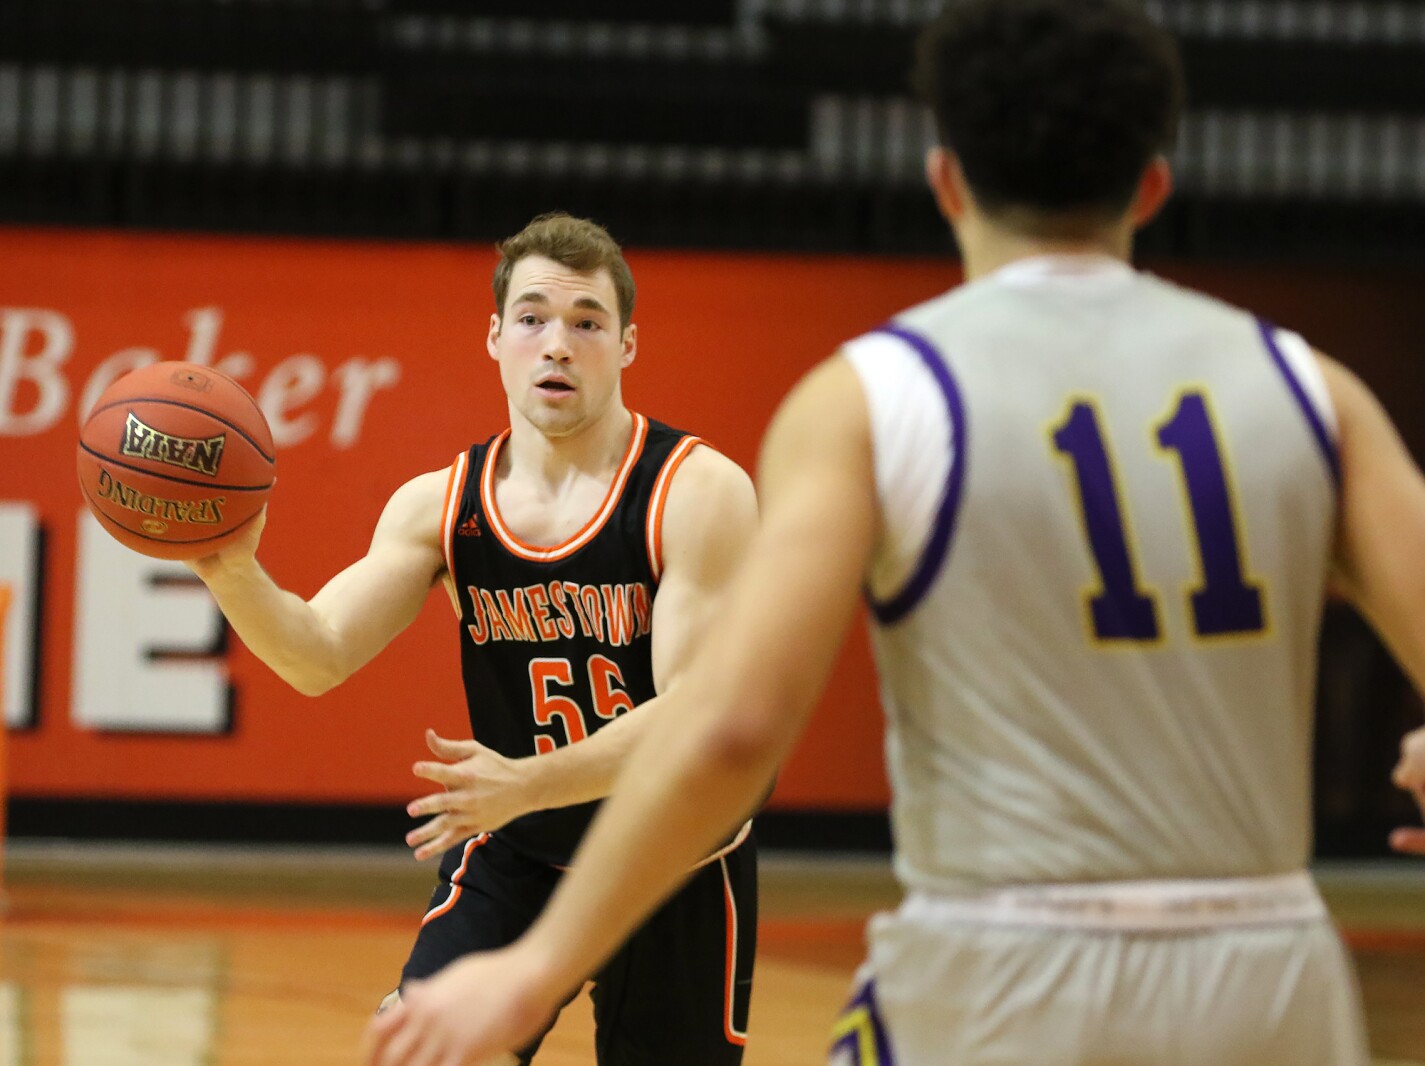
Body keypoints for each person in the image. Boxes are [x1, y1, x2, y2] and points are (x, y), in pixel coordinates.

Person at [364, 2, 1425, 1065]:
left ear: (947, 181)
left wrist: (538, 964)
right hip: (1266, 967)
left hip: (995, 955)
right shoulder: (1311, 392)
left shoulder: (876, 399)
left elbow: (733, 731)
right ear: (1153, 183)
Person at [187, 212, 759, 1065]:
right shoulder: (439, 505)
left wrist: (526, 781)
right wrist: (227, 569)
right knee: (420, 1053)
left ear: (627, 345)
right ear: (494, 337)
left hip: (672, 861)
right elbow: (317, 654)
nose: (556, 344)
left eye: (586, 323)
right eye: (531, 318)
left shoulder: (698, 491)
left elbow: (691, 716)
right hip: (526, 849)